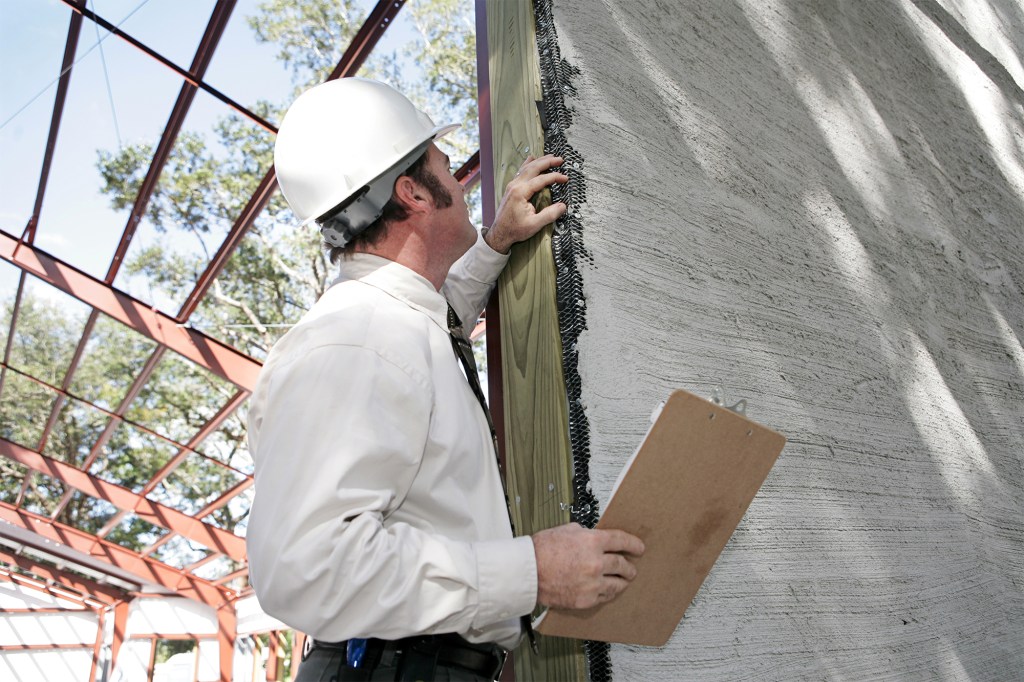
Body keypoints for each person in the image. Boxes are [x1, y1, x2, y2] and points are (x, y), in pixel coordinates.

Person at [246, 78, 644, 682]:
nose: (462, 183)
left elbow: (434, 328)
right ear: (413, 191)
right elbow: (307, 567)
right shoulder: (356, 340)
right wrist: (533, 570)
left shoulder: (389, 329)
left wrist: (496, 243)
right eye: (446, 167)